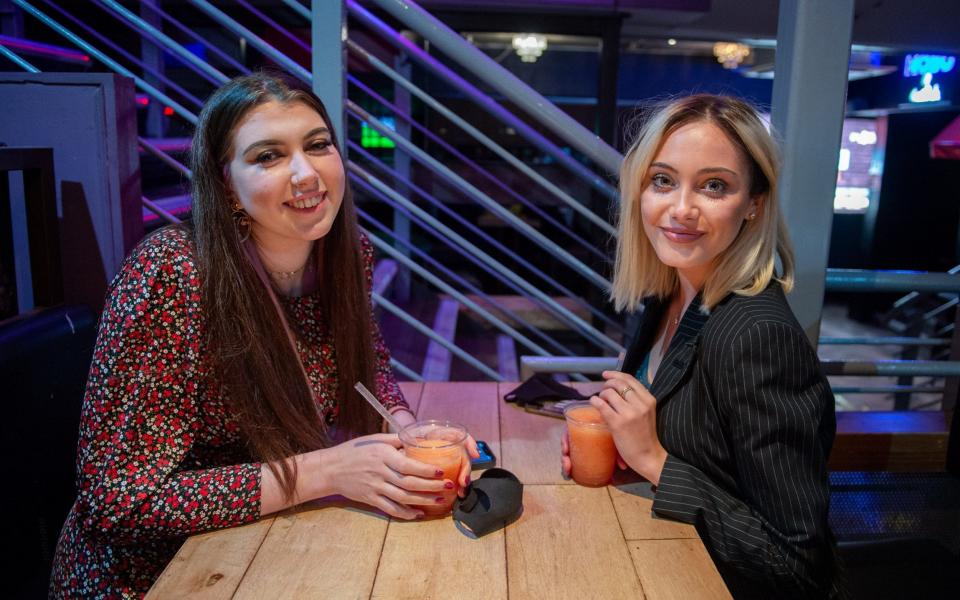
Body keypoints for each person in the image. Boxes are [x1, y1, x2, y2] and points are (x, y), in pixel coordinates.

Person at [50, 72, 476, 598]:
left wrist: (408, 429)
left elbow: (369, 367)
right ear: (226, 184)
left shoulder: (348, 254)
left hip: (271, 546)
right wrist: (326, 471)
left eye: (318, 145)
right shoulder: (173, 274)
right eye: (268, 156)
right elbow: (118, 503)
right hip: (154, 577)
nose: (306, 174)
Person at [562, 94, 845, 598]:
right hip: (666, 559)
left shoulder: (756, 336)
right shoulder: (672, 291)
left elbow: (798, 564)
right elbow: (705, 453)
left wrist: (650, 458)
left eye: (715, 186)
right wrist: (620, 443)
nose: (682, 209)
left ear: (754, 203)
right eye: (663, 181)